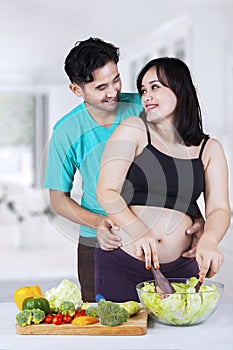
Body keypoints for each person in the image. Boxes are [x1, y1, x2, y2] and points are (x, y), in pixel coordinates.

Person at [44, 38, 204, 302]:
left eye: (116, 79)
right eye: (101, 87)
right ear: (76, 89)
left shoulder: (144, 107)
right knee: (107, 327)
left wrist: (195, 216)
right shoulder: (66, 132)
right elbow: (57, 199)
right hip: (102, 241)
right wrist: (97, 222)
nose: (113, 92)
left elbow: (178, 165)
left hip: (155, 236)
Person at [96, 57, 231, 302]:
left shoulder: (210, 149)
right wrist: (137, 231)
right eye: (143, 90)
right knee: (122, 337)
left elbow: (220, 208)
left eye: (155, 87)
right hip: (124, 263)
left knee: (180, 339)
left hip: (182, 269)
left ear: (180, 88)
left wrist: (209, 241)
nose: (146, 96)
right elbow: (106, 190)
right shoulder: (134, 129)